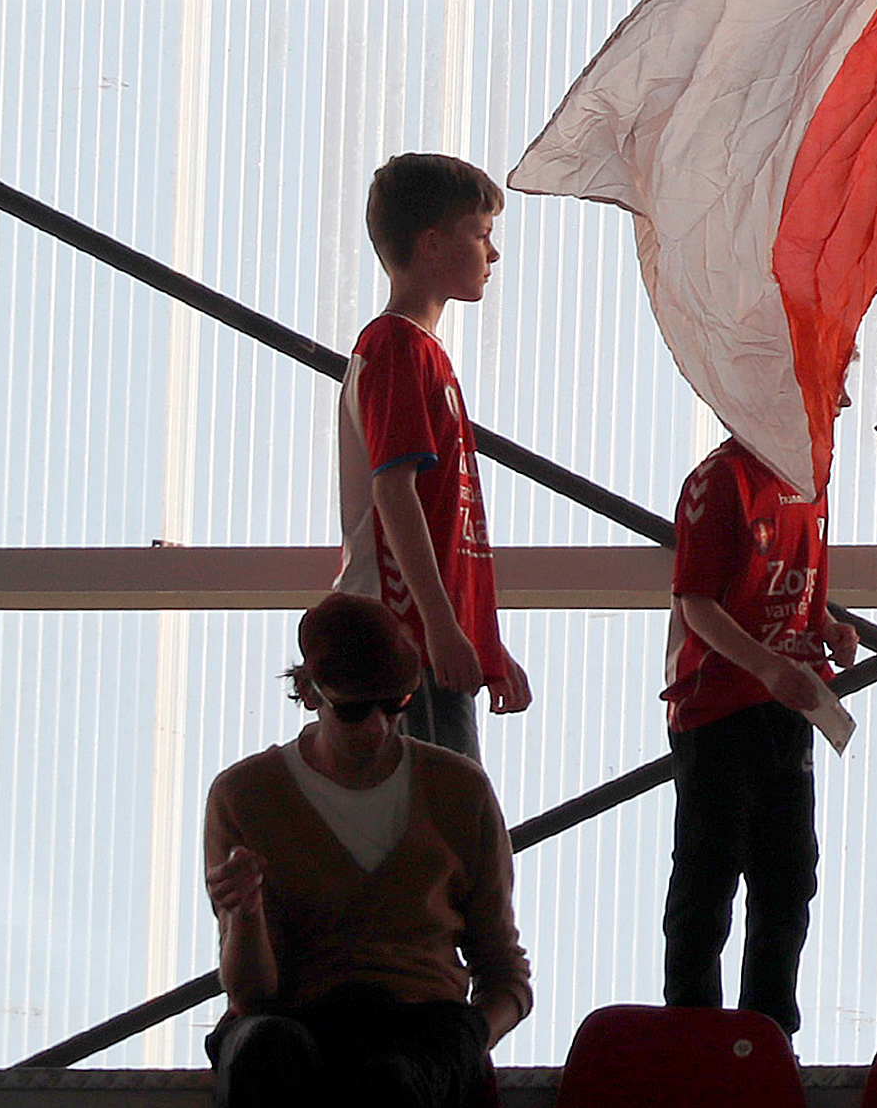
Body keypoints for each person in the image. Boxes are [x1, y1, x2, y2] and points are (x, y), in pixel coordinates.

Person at [202, 593, 530, 1108]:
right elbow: (252, 995)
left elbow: (504, 969)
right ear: (309, 694)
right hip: (294, 1018)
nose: (379, 726)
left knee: (393, 1082)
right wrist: (243, 917)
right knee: (268, 1050)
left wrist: (471, 1035)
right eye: (354, 708)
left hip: (422, 1024)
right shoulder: (246, 795)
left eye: (396, 703)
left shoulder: (458, 789)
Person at [334, 153, 531, 761]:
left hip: (428, 635)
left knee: (457, 824)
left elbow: (451, 532)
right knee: (438, 831)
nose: (492, 254)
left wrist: (481, 639)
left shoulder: (426, 354)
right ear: (432, 245)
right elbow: (394, 492)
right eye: (481, 235)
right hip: (403, 640)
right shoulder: (395, 345)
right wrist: (442, 629)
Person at [660, 432, 856, 1036]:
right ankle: (692, 1031)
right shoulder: (721, 479)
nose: (839, 402)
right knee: (709, 869)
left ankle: (767, 1030)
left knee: (789, 872)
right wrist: (766, 665)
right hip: (719, 703)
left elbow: (793, 573)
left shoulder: (811, 472)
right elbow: (698, 601)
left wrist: (826, 623)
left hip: (788, 701)